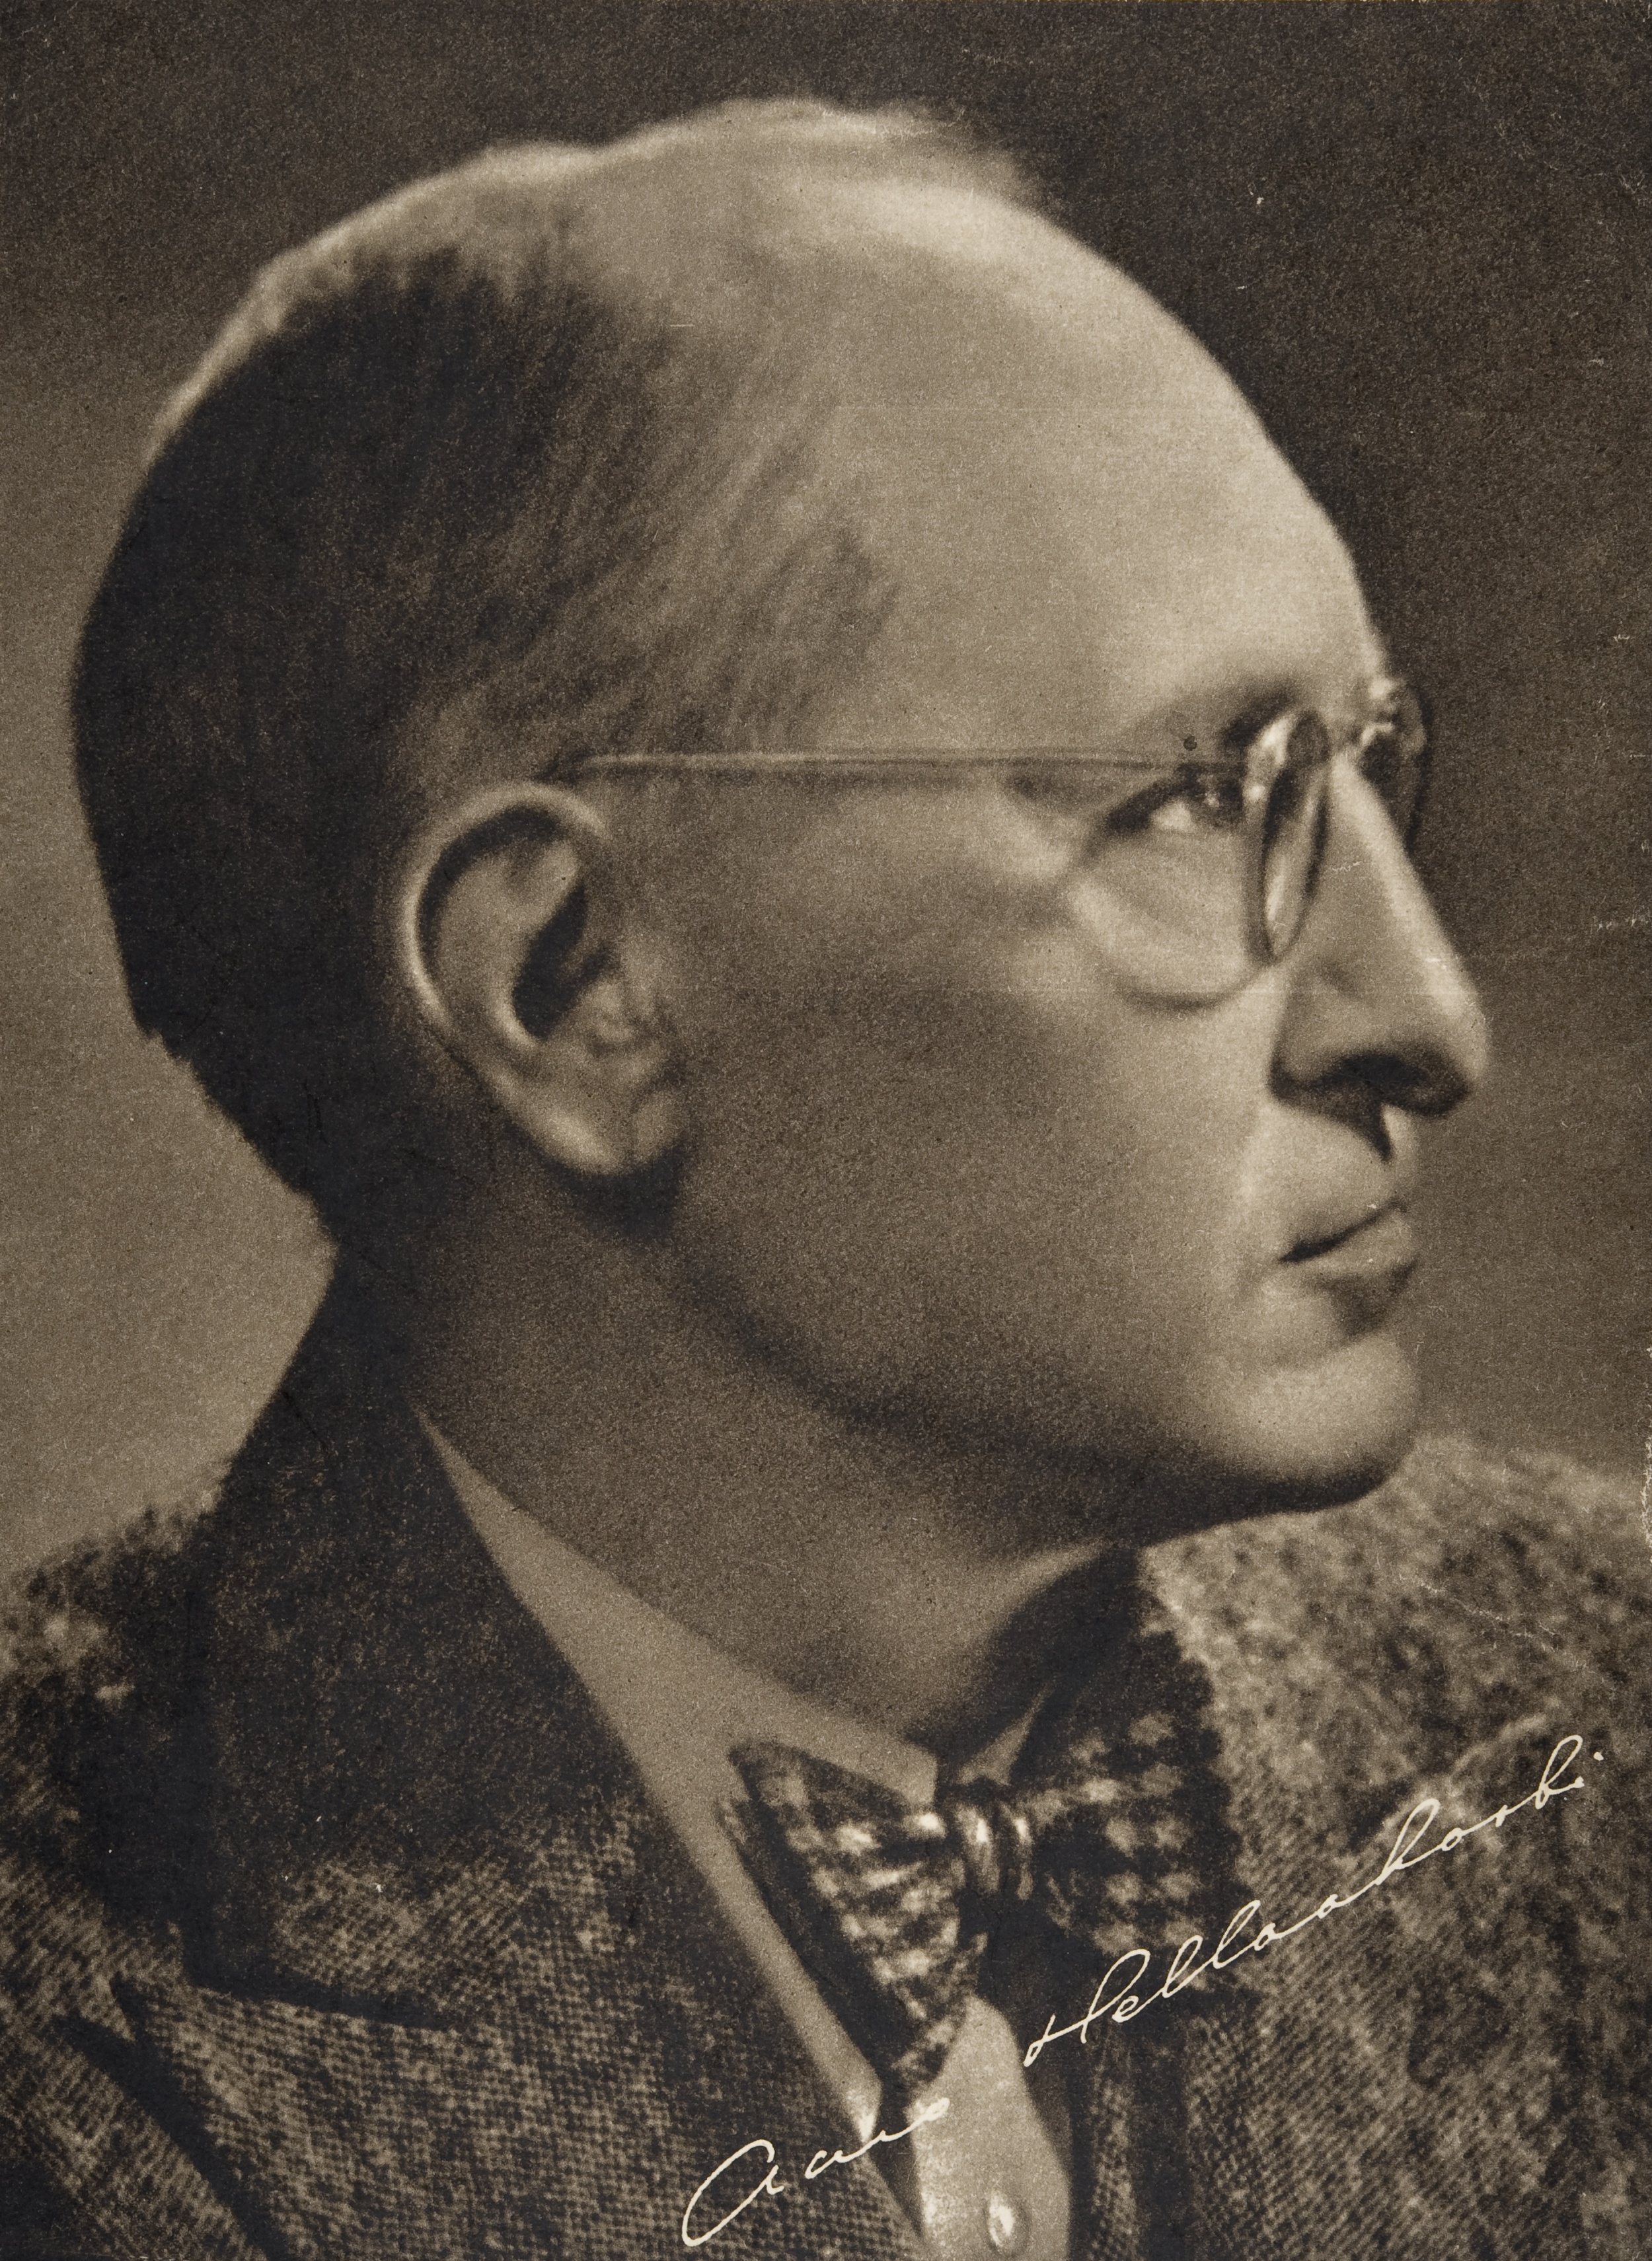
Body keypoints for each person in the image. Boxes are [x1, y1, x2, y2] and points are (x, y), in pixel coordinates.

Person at [1, 99, 1645, 2261]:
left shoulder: (1604, 1697)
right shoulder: (67, 2056)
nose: (1426, 1015)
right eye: (1191, 796)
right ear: (577, 991)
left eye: (1354, 767)